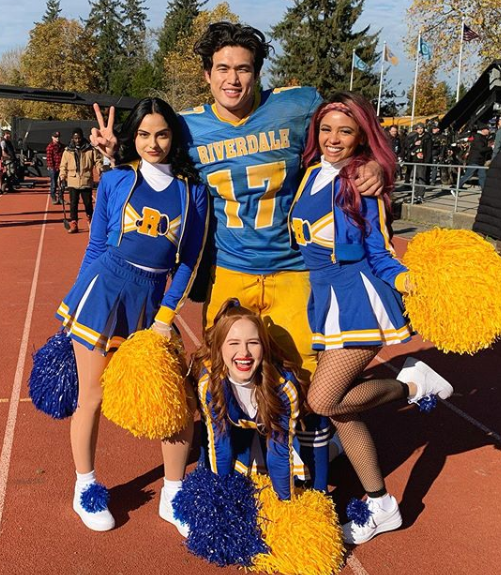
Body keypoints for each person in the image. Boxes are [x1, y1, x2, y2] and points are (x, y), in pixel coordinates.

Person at [91, 22, 383, 385]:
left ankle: (305, 442)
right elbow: (155, 169)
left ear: (258, 74)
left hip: (293, 270)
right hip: (229, 269)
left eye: (243, 69)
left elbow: (348, 129)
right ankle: (225, 444)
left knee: (304, 378)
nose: (232, 79)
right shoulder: (187, 127)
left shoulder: (297, 105)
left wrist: (373, 162)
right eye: (223, 69)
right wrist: (115, 156)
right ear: (207, 75)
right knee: (219, 377)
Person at [290, 92, 454, 545]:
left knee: (323, 402)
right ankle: (380, 504)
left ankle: (412, 386)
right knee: (342, 410)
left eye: (346, 130)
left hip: (360, 301)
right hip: (326, 302)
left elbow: (380, 250)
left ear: (362, 135)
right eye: (326, 129)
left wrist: (407, 282)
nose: (333, 139)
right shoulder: (307, 176)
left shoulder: (359, 181)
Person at [55, 97, 208, 533]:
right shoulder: (117, 179)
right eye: (143, 134)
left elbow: (187, 260)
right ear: (133, 137)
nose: (153, 143)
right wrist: (77, 302)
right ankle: (85, 486)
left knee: (174, 402)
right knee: (93, 398)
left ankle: (173, 493)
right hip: (103, 290)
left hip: (152, 301)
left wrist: (164, 317)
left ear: (174, 136)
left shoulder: (192, 191)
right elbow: (97, 246)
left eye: (161, 134)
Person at [191, 298, 330, 500]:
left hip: (290, 435)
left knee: (313, 488)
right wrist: (221, 501)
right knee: (216, 477)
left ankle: (335, 445)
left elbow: (279, 452)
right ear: (219, 348)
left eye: (253, 343)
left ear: (264, 347)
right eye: (234, 343)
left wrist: (286, 506)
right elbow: (220, 445)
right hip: (242, 435)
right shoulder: (210, 384)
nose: (244, 353)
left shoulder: (282, 387)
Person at [59, 127, 103, 233]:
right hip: (72, 180)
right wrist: (62, 176)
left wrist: (100, 169)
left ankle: (90, 221)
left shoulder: (90, 149)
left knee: (88, 203)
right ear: (72, 138)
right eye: (75, 138)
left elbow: (98, 160)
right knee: (73, 203)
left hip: (86, 180)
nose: (77, 140)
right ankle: (74, 223)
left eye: (79, 138)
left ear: (82, 137)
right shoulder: (67, 151)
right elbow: (63, 165)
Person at [473, 147, 501, 256]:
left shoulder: (499, 157)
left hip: (489, 201)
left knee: (482, 229)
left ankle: (474, 253)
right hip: (500, 204)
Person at [457, 124, 491, 192]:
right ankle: (455, 188)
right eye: (487, 129)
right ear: (483, 130)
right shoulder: (478, 137)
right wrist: (491, 148)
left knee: (482, 176)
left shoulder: (482, 137)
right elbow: (481, 149)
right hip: (475, 160)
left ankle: (484, 192)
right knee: (468, 176)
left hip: (479, 161)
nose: (489, 131)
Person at [407, 122, 432, 203]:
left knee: (421, 178)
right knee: (414, 178)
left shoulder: (427, 137)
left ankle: (420, 195)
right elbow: (408, 146)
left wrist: (426, 160)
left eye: (421, 128)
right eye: (418, 128)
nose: (420, 130)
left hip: (422, 160)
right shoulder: (414, 137)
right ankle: (415, 194)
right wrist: (414, 144)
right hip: (414, 160)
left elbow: (429, 150)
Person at [46, 131, 65, 204]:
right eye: (55, 137)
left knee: (62, 184)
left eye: (58, 137)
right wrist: (53, 167)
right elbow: (49, 158)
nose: (57, 138)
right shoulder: (50, 147)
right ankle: (53, 197)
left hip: (61, 167)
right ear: (52, 137)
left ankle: (61, 198)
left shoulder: (62, 146)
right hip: (53, 168)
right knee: (53, 184)